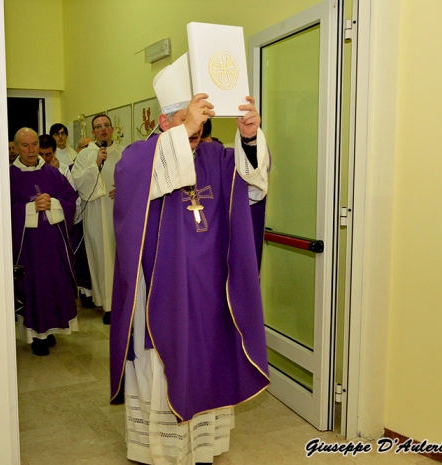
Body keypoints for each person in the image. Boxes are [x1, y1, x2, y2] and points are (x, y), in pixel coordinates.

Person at [110, 53, 271, 464]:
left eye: (201, 126)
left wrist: (249, 138)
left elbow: (252, 188)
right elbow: (138, 188)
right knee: (165, 362)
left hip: (209, 287)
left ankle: (204, 447)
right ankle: (159, 451)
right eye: (188, 123)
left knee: (210, 356)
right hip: (163, 288)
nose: (197, 135)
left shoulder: (216, 157)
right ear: (165, 122)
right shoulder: (138, 158)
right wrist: (185, 136)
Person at [11, 128, 79, 356]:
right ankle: (35, 336)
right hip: (28, 247)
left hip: (52, 244)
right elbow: (3, 210)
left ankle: (49, 330)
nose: (31, 151)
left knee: (53, 284)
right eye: (25, 146)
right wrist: (30, 208)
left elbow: (70, 197)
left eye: (34, 145)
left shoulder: (51, 173)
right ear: (17, 147)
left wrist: (54, 204)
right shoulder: (9, 176)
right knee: (34, 286)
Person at [72, 114, 122, 324]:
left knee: (118, 256)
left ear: (112, 129)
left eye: (106, 126)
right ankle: (108, 304)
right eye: (98, 127)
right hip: (95, 211)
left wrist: (123, 189)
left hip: (119, 210)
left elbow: (135, 177)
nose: (102, 129)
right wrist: (95, 166)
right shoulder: (86, 154)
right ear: (93, 132)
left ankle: (122, 302)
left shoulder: (123, 152)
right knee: (101, 257)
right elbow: (77, 182)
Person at [38, 134, 94, 308]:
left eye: (49, 154)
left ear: (54, 153)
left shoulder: (63, 168)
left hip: (61, 227)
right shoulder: (32, 170)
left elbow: (72, 197)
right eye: (42, 154)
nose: (45, 159)